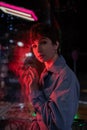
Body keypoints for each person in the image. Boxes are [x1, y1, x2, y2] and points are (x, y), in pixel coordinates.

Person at [21, 23, 80, 130]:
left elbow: (57, 124)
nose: (38, 50)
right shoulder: (45, 73)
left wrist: (35, 92)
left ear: (56, 45)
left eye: (43, 42)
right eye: (34, 45)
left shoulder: (65, 77)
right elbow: (40, 116)